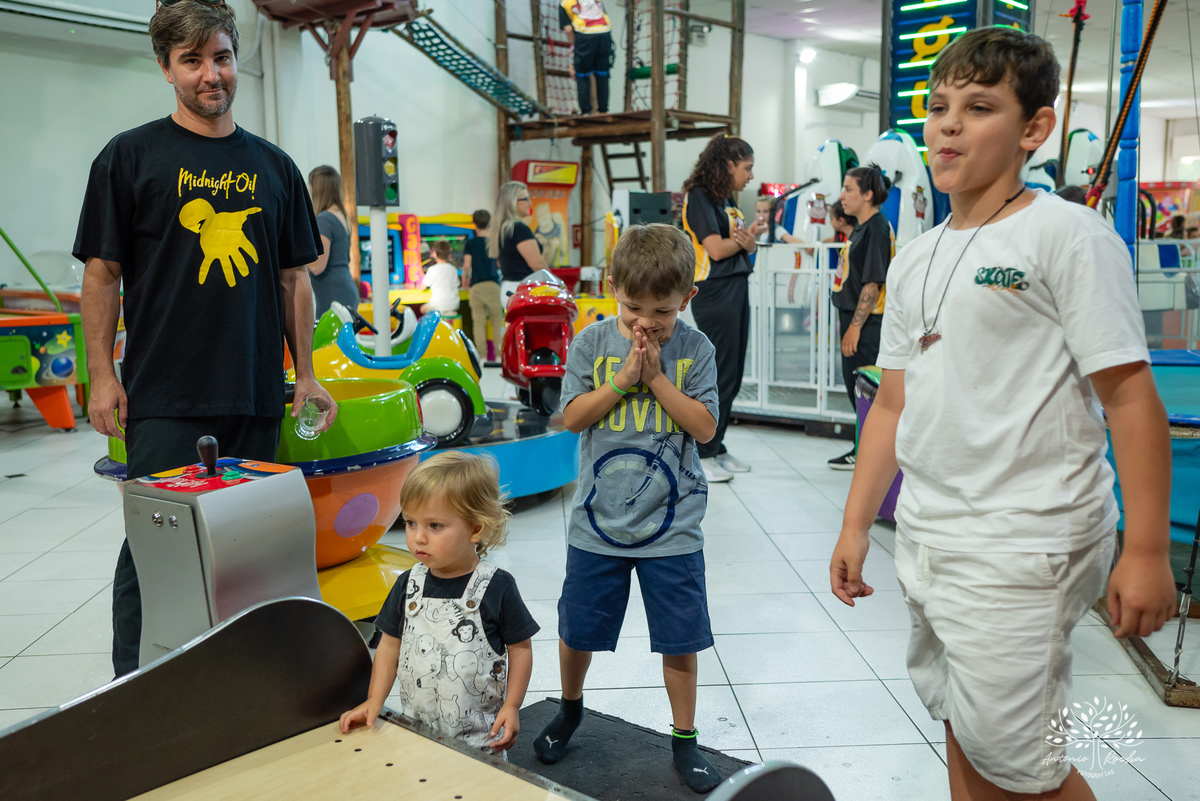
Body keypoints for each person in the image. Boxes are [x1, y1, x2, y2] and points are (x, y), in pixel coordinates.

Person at [829, 27, 1176, 801]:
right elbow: (891, 401)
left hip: (1026, 538)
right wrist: (857, 525)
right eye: (940, 106)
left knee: (1024, 768)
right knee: (966, 730)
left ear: (1033, 129)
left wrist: (1147, 548)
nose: (949, 123)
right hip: (931, 530)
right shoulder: (917, 255)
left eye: (979, 107)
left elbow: (1129, 396)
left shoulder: (1066, 236)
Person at [74, 0, 336, 680]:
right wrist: (102, 375)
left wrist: (304, 374)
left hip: (253, 393)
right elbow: (100, 277)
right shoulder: (129, 157)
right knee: (153, 551)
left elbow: (292, 283)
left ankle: (239, 682)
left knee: (247, 547)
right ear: (166, 68)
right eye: (191, 61)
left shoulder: (276, 168)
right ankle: (134, 687)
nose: (210, 74)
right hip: (164, 395)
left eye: (220, 56)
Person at [532, 224, 723, 794]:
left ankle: (684, 740)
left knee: (680, 638)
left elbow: (706, 428)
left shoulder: (696, 349)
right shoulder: (592, 344)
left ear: (686, 297)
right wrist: (622, 380)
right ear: (612, 287)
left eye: (661, 310)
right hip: (596, 525)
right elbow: (572, 418)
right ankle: (569, 709)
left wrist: (658, 380)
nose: (645, 321)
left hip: (674, 528)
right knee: (577, 630)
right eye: (632, 306)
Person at [340, 451, 538, 754]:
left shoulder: (497, 586)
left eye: (434, 526)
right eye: (410, 522)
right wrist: (373, 701)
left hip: (481, 740)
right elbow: (389, 646)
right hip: (418, 734)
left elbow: (520, 649)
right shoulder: (408, 584)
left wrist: (512, 706)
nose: (418, 537)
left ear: (475, 528)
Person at [682, 134, 765, 484]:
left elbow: (736, 243)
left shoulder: (724, 197)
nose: (750, 176)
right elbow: (715, 249)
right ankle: (702, 450)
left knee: (732, 371)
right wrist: (742, 243)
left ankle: (717, 444)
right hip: (714, 293)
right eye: (746, 168)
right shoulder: (699, 196)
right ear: (728, 164)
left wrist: (749, 240)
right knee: (717, 372)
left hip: (736, 285)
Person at [827, 164, 895, 470]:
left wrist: (855, 328)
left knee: (867, 391)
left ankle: (870, 454)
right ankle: (861, 448)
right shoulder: (860, 228)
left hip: (867, 324)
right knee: (854, 388)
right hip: (852, 318)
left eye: (849, 189)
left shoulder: (877, 228)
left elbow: (872, 282)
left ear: (868, 194)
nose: (842, 196)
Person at [306, 165, 360, 317]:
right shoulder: (340, 215)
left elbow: (317, 266)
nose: (308, 190)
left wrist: (297, 255)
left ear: (318, 189)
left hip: (334, 293)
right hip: (344, 289)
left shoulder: (324, 219)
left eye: (310, 185)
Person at [488, 181, 549, 308]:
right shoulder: (519, 229)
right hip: (524, 289)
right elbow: (537, 264)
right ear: (513, 202)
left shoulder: (501, 229)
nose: (530, 203)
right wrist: (555, 284)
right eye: (526, 199)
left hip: (509, 289)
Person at [462, 209, 504, 366]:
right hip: (494, 286)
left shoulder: (471, 243)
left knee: (478, 323)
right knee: (497, 322)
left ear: (474, 224)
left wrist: (464, 280)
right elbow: (500, 263)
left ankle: (482, 358)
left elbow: (467, 265)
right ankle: (500, 357)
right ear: (490, 224)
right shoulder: (493, 242)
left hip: (477, 286)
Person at [559, 1, 613, 114]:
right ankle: (603, 109)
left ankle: (585, 111)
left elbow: (568, 30)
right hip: (604, 33)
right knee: (602, 73)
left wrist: (574, 46)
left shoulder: (565, 2)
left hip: (584, 35)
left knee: (582, 74)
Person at [421, 241, 461, 316]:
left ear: (435, 254)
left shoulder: (432, 269)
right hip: (453, 305)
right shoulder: (453, 269)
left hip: (436, 305)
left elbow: (423, 287)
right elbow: (457, 284)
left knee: (422, 309)